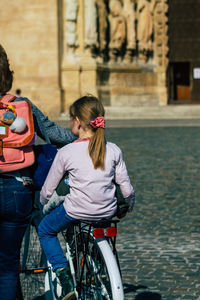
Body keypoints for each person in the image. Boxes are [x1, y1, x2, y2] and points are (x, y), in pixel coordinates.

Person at [38, 95, 135, 300]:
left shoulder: (67, 151)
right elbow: (126, 188)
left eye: (71, 118)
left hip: (76, 209)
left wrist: (42, 202)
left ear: (78, 122)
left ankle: (63, 276)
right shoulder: (113, 149)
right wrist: (129, 204)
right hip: (107, 210)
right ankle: (98, 265)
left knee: (45, 229)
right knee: (97, 220)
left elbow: (49, 187)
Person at [0, 44, 75, 300]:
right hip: (17, 189)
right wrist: (84, 135)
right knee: (7, 267)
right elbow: (54, 135)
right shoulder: (20, 105)